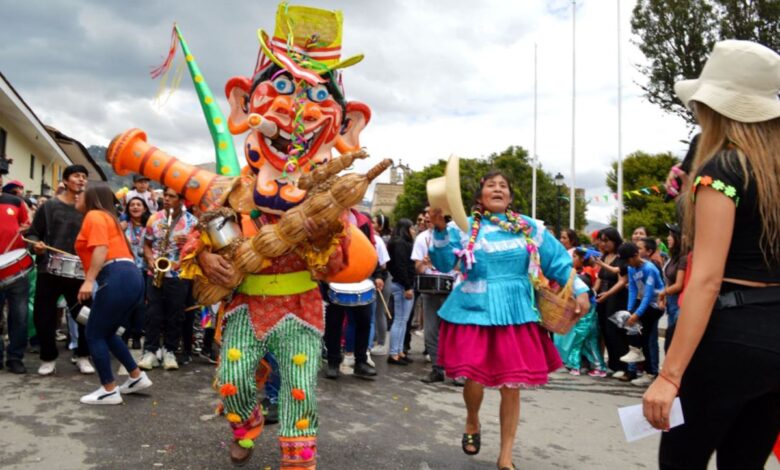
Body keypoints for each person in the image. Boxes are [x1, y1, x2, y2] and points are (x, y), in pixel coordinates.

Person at [643, 40, 780, 468]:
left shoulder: (722, 170)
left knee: (681, 461)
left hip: (727, 337)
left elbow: (705, 278)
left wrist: (669, 375)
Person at [429, 171, 589, 470]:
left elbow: (558, 261)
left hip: (516, 310)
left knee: (511, 384)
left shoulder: (528, 227)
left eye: (503, 186)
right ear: (480, 197)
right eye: (491, 185)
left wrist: (579, 289)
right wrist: (439, 232)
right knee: (473, 378)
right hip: (474, 309)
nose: (498, 189)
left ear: (511, 197)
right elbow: (442, 264)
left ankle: (506, 457)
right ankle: (473, 419)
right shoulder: (462, 226)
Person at [74, 182, 152, 404]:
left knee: (94, 333)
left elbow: (101, 248)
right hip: (129, 275)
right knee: (107, 332)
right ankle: (136, 376)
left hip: (116, 275)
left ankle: (108, 389)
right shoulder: (109, 218)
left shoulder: (95, 215)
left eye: (81, 193)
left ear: (91, 197)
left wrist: (89, 281)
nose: (77, 196)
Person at [27, 164, 95, 375]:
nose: (81, 180)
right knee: (43, 316)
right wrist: (36, 246)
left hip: (79, 271)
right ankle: (48, 357)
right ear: (65, 181)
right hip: (49, 269)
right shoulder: (48, 206)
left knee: (85, 315)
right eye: (77, 176)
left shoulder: (89, 209)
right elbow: (33, 234)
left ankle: (83, 355)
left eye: (84, 177)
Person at [137, 188, 198, 371]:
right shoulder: (154, 218)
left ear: (181, 199)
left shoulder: (192, 222)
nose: (167, 199)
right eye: (166, 196)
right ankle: (150, 351)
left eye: (172, 196)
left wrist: (189, 241)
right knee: (152, 313)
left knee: (176, 315)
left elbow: (199, 249)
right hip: (156, 272)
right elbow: (146, 244)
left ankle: (170, 350)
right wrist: (150, 260)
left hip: (179, 274)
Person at [414, 207, 459, 384]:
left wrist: (456, 266)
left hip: (453, 288)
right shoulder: (421, 239)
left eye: (431, 218)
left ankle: (457, 371)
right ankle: (437, 369)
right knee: (431, 331)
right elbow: (417, 268)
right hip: (430, 288)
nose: (428, 221)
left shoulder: (455, 234)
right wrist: (424, 264)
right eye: (426, 219)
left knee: (454, 331)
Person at [617, 242, 665, 387]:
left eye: (628, 260)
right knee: (626, 322)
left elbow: (649, 294)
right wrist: (629, 311)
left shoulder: (649, 268)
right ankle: (635, 352)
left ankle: (650, 372)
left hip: (655, 304)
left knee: (645, 338)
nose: (627, 264)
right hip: (644, 302)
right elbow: (632, 289)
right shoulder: (631, 268)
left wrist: (637, 314)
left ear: (636, 255)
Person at [554, 248, 607, 377]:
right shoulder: (582, 276)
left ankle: (575, 366)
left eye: (575, 256)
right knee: (589, 344)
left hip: (583, 322)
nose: (572, 259)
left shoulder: (583, 277)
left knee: (576, 343)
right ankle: (598, 367)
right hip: (590, 320)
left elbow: (580, 305)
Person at [0, 173, 31, 374]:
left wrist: (24, 230)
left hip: (16, 268)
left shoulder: (15, 201)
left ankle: (15, 357)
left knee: (19, 315)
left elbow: (27, 225)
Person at [593, 227, 629, 378]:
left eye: (607, 240)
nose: (604, 243)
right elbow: (599, 279)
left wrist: (607, 294)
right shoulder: (603, 257)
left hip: (616, 297)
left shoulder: (620, 258)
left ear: (615, 240)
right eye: (602, 240)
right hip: (603, 297)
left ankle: (622, 365)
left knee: (615, 330)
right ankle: (612, 364)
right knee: (605, 331)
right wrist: (593, 291)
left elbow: (622, 280)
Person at [386, 218, 416, 366]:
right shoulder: (400, 244)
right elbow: (401, 266)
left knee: (402, 320)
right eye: (411, 228)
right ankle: (393, 353)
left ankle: (399, 351)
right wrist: (408, 286)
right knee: (399, 320)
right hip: (402, 285)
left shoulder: (397, 243)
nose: (413, 231)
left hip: (402, 284)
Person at [122, 196, 151, 349]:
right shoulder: (123, 226)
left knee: (140, 305)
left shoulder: (151, 226)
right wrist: (120, 230)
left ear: (144, 208)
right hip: (127, 269)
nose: (135, 207)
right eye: (132, 205)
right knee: (126, 303)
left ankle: (137, 335)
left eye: (138, 204)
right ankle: (125, 335)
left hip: (145, 269)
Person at [657, 223, 686, 352]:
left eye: (671, 235)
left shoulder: (683, 258)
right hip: (671, 303)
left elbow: (679, 285)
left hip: (681, 303)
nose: (668, 238)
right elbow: (669, 279)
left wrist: (662, 294)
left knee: (674, 344)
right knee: (669, 343)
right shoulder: (672, 258)